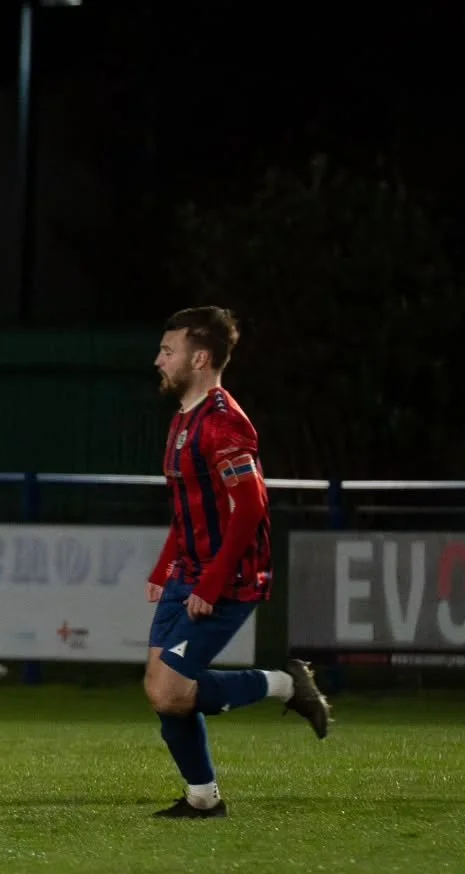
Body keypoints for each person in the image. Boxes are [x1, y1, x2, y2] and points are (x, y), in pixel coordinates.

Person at [145, 306, 332, 819]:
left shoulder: (223, 422)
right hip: (188, 572)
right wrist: (164, 567)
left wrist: (212, 582)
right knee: (163, 690)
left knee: (171, 691)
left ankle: (286, 685)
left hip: (229, 577)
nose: (158, 359)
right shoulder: (183, 419)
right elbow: (188, 507)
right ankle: (203, 798)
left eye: (168, 350)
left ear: (199, 359)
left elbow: (250, 507)